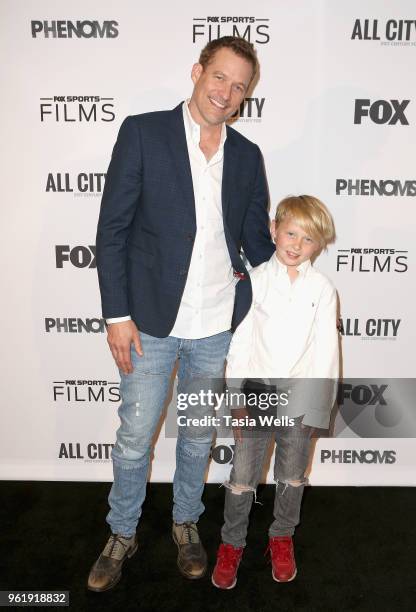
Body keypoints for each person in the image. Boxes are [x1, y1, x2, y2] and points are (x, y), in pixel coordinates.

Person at [87, 36, 275, 592]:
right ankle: (122, 531)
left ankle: (185, 523)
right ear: (197, 72)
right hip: (147, 322)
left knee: (195, 436)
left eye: (239, 86)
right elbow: (112, 230)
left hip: (217, 323)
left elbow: (254, 242)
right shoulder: (143, 133)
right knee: (135, 435)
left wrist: (294, 275)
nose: (227, 92)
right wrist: (115, 314)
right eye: (220, 77)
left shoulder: (246, 156)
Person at [211, 195, 339, 589]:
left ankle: (281, 537)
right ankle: (231, 544)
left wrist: (317, 406)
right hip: (255, 393)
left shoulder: (323, 288)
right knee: (243, 474)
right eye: (291, 233)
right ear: (274, 229)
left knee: (292, 474)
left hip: (300, 397)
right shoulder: (255, 281)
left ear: (319, 245)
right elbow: (242, 342)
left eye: (308, 239)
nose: (297, 245)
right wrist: (236, 397)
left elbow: (325, 351)